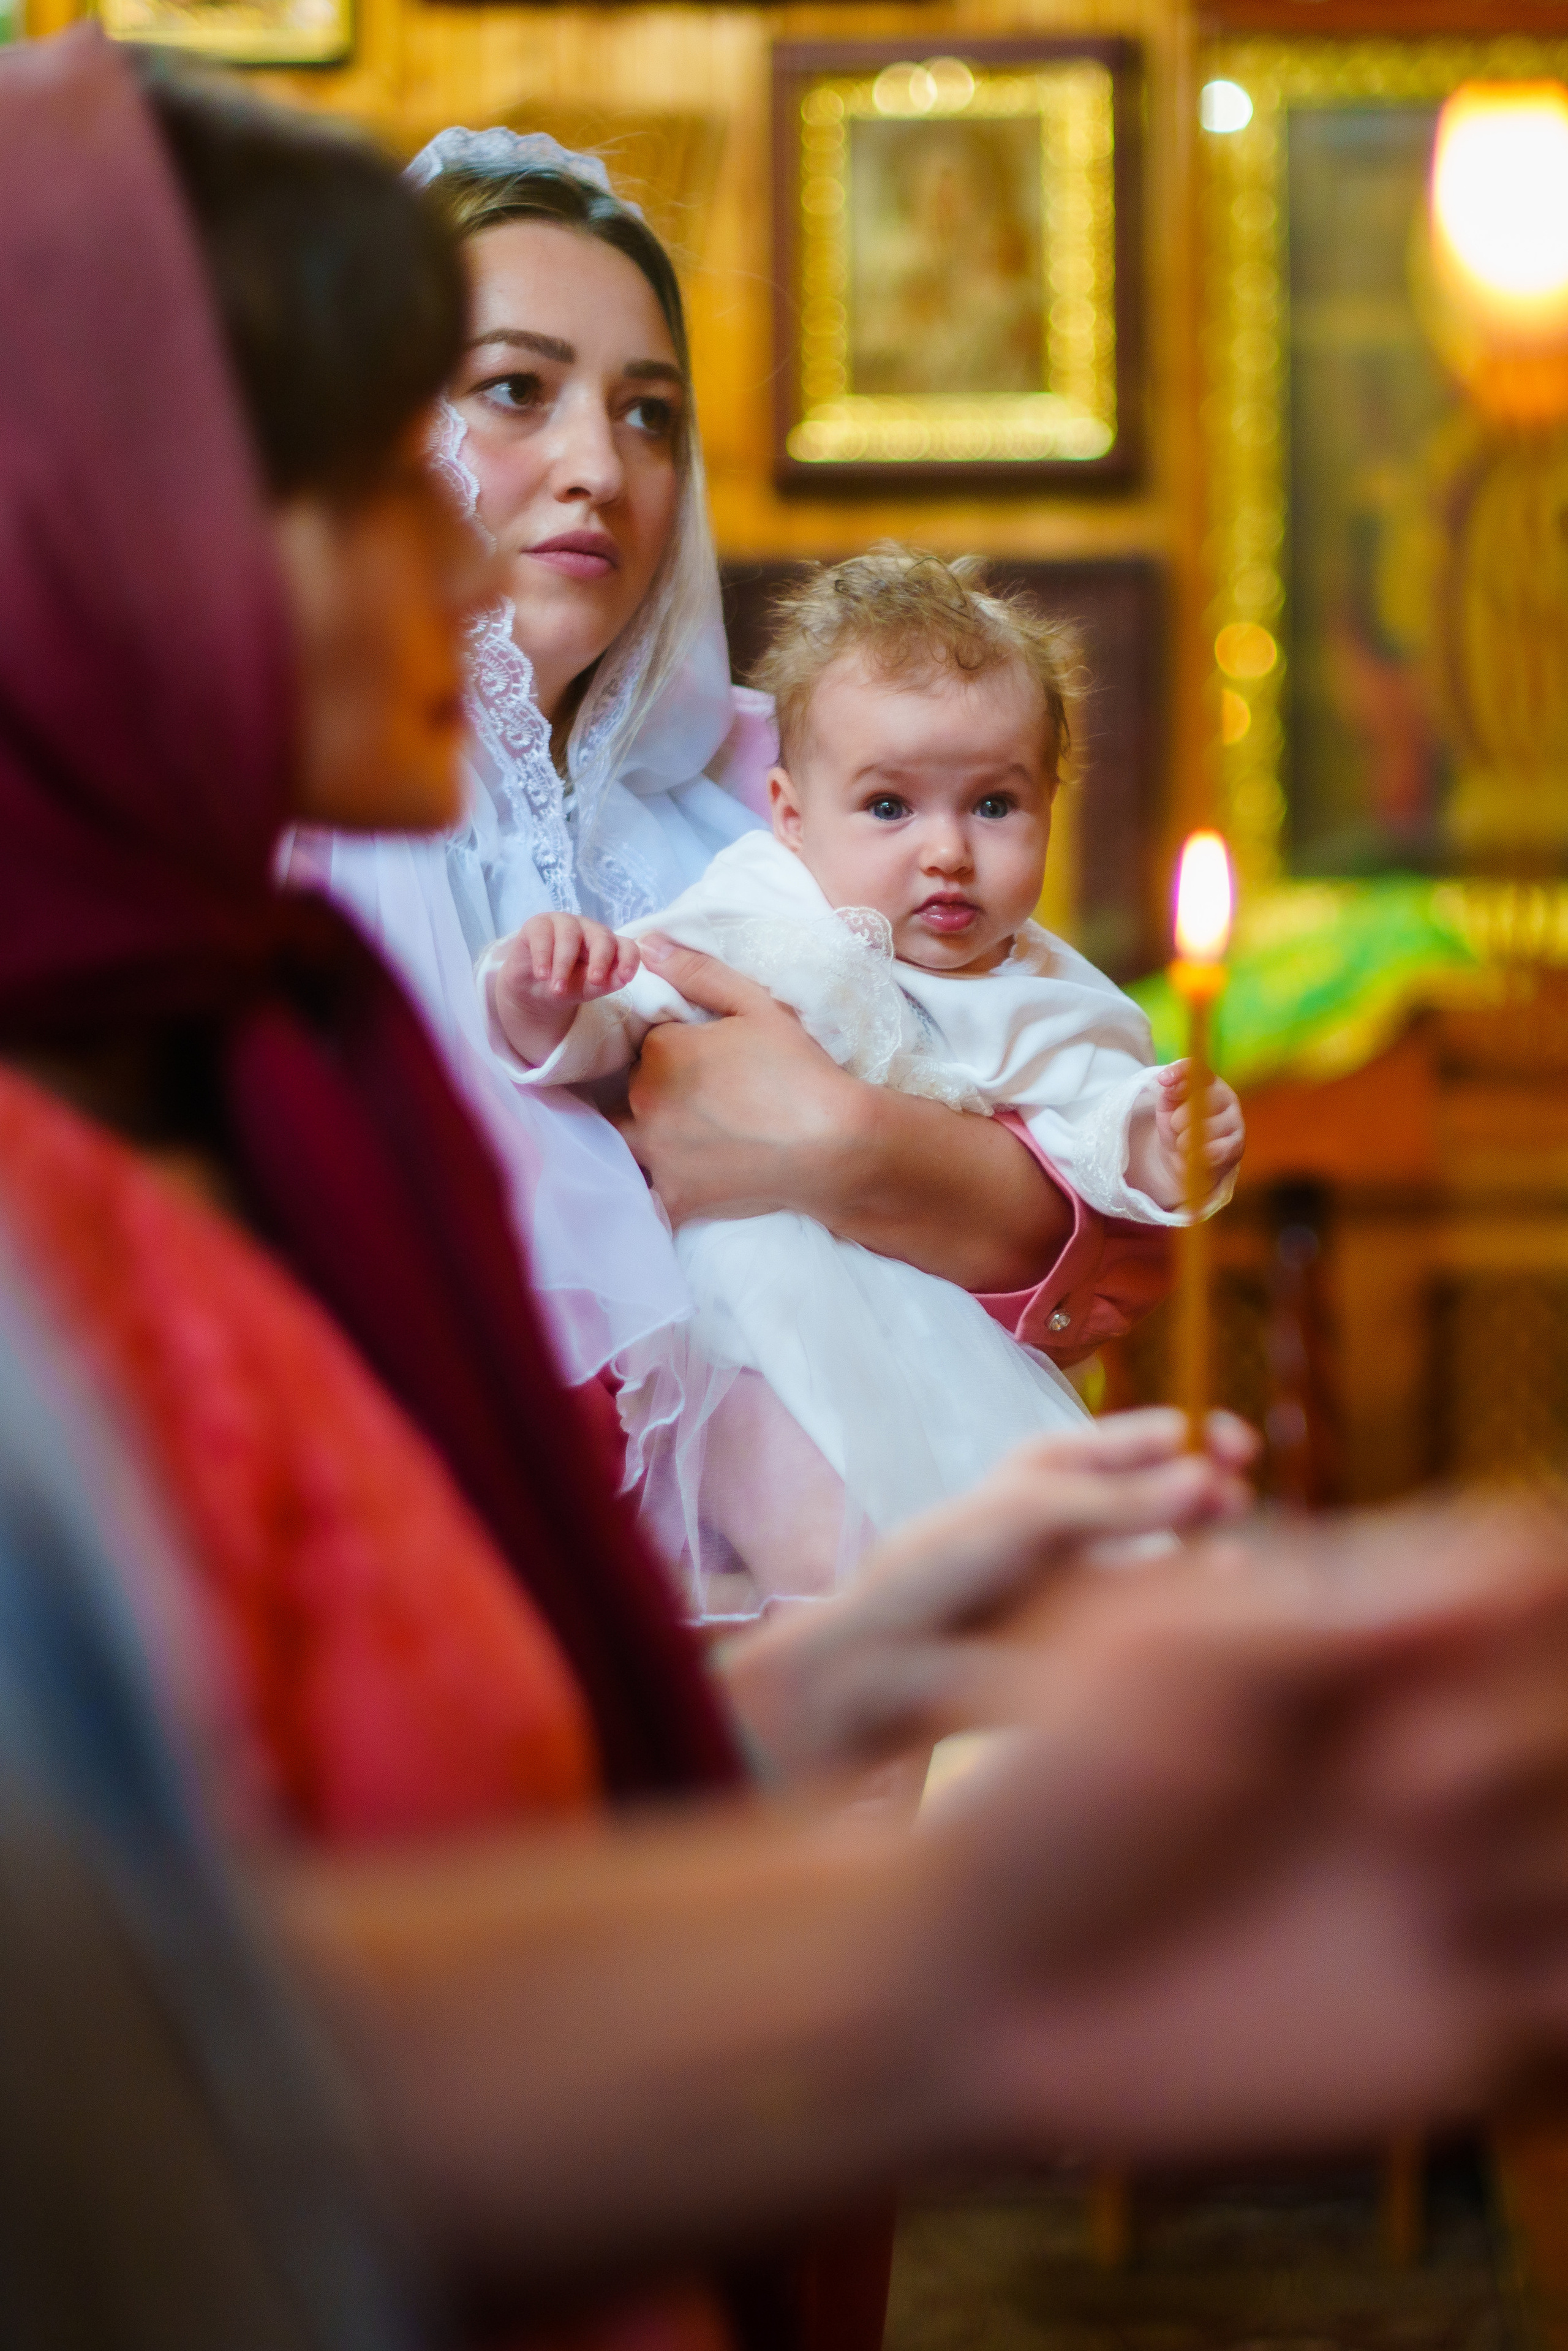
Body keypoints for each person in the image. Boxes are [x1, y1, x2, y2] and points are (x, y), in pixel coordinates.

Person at [12, 39, 1568, 2350]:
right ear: (118, 507)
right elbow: (119, 2065)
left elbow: (1078, 1212)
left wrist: (870, 1649)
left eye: (648, 412)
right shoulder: (148, 1100)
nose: (539, 501)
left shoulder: (683, 834)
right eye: (443, 418)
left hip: (711, 1881)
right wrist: (950, 1959)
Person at [287, 126, 1173, 1599]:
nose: (599, 467)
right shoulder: (252, 829)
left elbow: (1111, 1253)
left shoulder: (798, 798)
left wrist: (842, 1140)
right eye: (515, 391)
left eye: (648, 415)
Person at [487, 551, 1245, 1578]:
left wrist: (1158, 1143)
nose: (946, 852)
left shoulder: (1047, 989)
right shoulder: (761, 904)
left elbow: (1095, 1133)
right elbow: (632, 1022)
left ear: (1051, 805)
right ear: (791, 816)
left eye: (993, 805)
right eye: (891, 806)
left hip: (937, 1347)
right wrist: (547, 1001)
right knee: (839, 1566)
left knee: (1012, 1576)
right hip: (740, 1314)